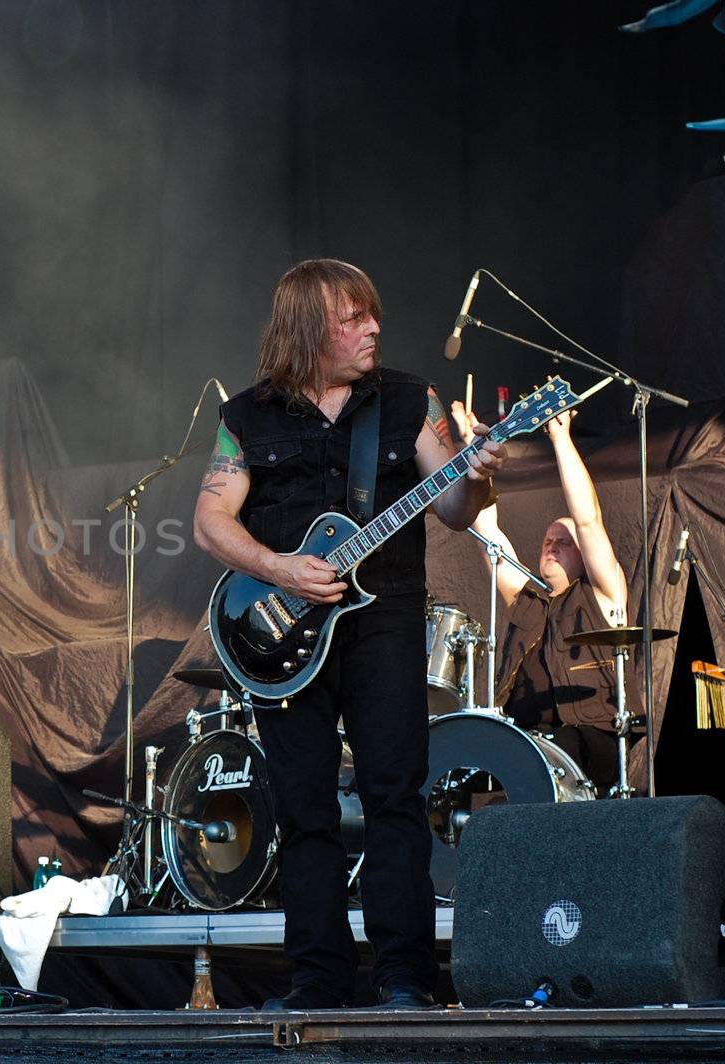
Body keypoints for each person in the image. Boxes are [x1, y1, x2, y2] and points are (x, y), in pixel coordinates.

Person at [192, 259, 506, 1010]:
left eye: (374, 315)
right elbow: (209, 522)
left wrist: (482, 471)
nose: (373, 327)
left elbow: (458, 508)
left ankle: (404, 979)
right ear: (308, 328)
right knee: (304, 808)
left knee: (395, 797)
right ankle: (318, 982)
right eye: (353, 317)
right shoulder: (247, 417)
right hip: (283, 634)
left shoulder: (406, 400)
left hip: (385, 623)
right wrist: (281, 569)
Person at [450, 403, 628, 795]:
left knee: (552, 757)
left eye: (564, 542)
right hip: (522, 737)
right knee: (457, 770)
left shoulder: (603, 592)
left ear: (584, 554)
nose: (551, 545)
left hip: (583, 737)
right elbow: (490, 536)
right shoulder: (525, 599)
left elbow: (588, 518)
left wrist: (560, 437)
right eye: (548, 540)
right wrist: (472, 453)